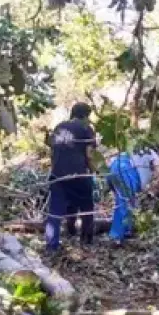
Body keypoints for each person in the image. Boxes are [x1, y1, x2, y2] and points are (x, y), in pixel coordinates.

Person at [45, 102, 97, 251]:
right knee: (87, 207)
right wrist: (93, 171)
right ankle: (86, 240)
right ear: (86, 115)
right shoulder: (86, 129)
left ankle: (52, 245)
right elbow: (89, 154)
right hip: (78, 174)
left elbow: (53, 151)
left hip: (57, 174)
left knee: (55, 210)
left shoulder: (59, 127)